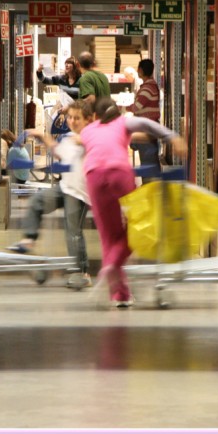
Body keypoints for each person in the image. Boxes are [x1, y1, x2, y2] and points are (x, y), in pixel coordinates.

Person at [81, 97, 187, 308]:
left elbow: (103, 140)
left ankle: (119, 295)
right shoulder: (123, 122)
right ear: (116, 112)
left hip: (93, 176)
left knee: (109, 236)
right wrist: (172, 137)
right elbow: (146, 124)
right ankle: (112, 264)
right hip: (119, 172)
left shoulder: (88, 130)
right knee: (139, 226)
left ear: (95, 116)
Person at [7, 101, 94, 289]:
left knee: (73, 233)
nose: (72, 121)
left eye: (77, 118)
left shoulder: (93, 136)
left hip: (79, 192)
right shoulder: (69, 137)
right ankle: (29, 239)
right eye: (70, 117)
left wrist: (86, 139)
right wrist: (41, 135)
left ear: (88, 120)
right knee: (37, 202)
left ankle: (82, 272)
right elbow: (58, 152)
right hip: (65, 187)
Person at [125, 59, 162, 177]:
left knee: (148, 164)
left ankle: (151, 190)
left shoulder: (147, 88)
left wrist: (126, 108)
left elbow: (136, 107)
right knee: (150, 162)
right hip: (149, 127)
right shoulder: (150, 85)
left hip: (146, 129)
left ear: (140, 70)